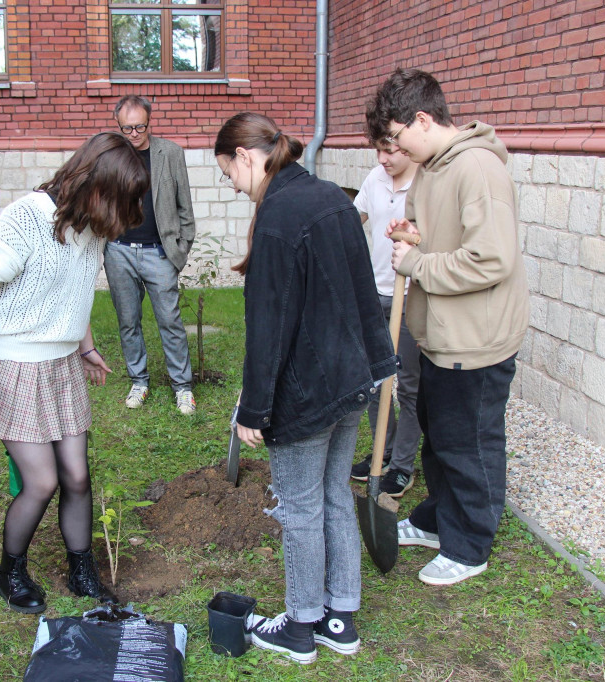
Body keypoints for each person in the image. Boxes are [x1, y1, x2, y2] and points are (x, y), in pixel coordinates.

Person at [216, 113, 397, 664]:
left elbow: (268, 326)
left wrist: (254, 409)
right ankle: (340, 618)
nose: (233, 184)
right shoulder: (331, 197)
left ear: (247, 156)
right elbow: (364, 286)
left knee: (298, 508)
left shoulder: (275, 219)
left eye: (229, 173)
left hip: (306, 392)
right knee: (335, 495)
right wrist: (378, 363)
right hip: (351, 379)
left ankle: (300, 627)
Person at [0, 132, 149, 614]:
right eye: (121, 201)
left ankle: (81, 567)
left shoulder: (91, 226)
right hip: (13, 367)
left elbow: (73, 291)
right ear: (97, 186)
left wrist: (85, 348)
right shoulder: (26, 219)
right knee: (41, 482)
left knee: (78, 476)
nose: (122, 217)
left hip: (60, 366)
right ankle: (10, 571)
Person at [367, 68, 529, 586]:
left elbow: (491, 259)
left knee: (470, 445)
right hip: (438, 336)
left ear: (421, 119)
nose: (394, 147)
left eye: (395, 136)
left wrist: (417, 264)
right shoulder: (433, 166)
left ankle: (470, 544)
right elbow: (440, 235)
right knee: (438, 440)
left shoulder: (478, 169)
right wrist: (413, 233)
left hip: (474, 341)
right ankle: (441, 520)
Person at [105, 95, 197, 415]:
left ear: (149, 121)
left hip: (159, 252)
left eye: (139, 126)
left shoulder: (169, 153)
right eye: (126, 128)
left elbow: (185, 207)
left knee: (170, 320)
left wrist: (179, 251)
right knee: (128, 320)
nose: (133, 134)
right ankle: (139, 381)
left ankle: (182, 387)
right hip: (119, 251)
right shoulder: (112, 155)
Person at [349, 139, 423, 498]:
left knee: (409, 385)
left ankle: (403, 466)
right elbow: (353, 219)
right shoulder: (376, 178)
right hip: (375, 293)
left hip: (411, 297)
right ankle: (384, 449)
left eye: (390, 150)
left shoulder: (425, 182)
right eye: (378, 151)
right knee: (376, 380)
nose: (382, 159)